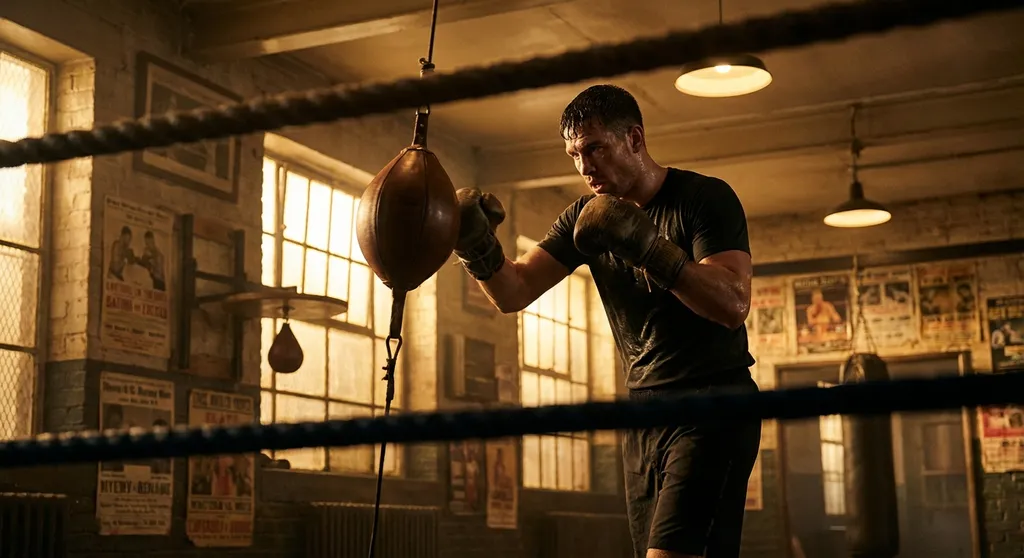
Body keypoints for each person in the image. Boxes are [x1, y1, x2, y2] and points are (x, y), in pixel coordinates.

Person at [453, 84, 760, 558]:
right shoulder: (583, 217)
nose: (584, 166)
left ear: (634, 139)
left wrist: (651, 249)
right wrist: (478, 248)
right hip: (642, 411)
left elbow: (732, 304)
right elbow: (513, 292)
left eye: (595, 148)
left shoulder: (704, 198)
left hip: (713, 402)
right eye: (574, 153)